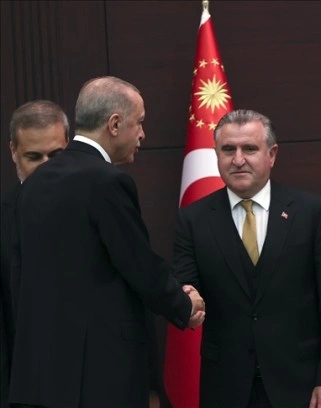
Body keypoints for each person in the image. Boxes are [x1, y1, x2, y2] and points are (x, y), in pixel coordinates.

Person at [8, 76, 205, 407]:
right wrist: (183, 306)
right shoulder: (106, 181)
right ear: (114, 124)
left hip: (45, 375)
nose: (142, 134)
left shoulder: (35, 184)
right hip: (101, 374)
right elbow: (138, 264)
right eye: (139, 122)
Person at [172, 109, 321, 407]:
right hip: (225, 386)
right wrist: (186, 299)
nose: (238, 159)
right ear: (216, 155)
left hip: (301, 385)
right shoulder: (193, 219)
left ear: (272, 155)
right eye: (228, 150)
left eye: (249, 149)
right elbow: (185, 286)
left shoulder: (311, 212)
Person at [1, 100, 69, 408]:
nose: (46, 167)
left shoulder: (100, 207)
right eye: (33, 157)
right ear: (13, 151)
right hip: (25, 391)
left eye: (55, 155)